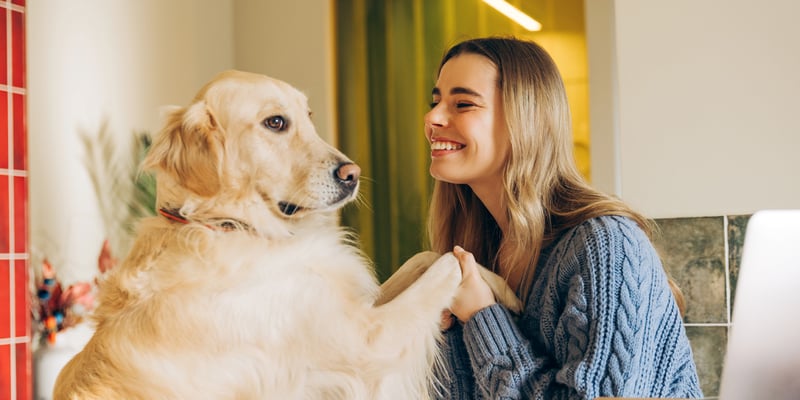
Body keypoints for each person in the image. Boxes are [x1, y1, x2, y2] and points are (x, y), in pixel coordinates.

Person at [423, 36, 703, 399]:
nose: (432, 118)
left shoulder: (606, 247)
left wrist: (482, 318)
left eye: (462, 103)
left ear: (525, 121)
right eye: (435, 102)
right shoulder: (480, 256)